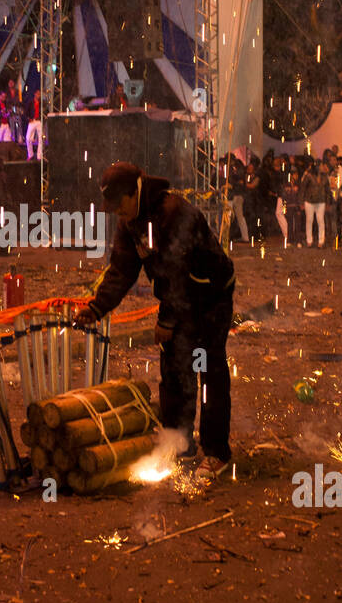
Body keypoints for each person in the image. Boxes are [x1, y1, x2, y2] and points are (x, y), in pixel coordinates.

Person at [73, 161, 235, 480]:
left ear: (135, 193)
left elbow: (179, 274)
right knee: (174, 367)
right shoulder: (130, 222)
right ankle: (178, 442)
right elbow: (121, 270)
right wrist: (97, 307)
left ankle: (216, 453)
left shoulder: (174, 213)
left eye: (120, 208)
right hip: (181, 294)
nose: (119, 217)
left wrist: (168, 320)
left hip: (210, 293)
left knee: (208, 369)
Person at [298, 160, 328, 248]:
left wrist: (328, 202)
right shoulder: (309, 176)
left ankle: (321, 241)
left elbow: (327, 190)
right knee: (309, 220)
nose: (323, 167)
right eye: (322, 165)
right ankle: (309, 240)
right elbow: (302, 189)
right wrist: (301, 202)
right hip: (309, 201)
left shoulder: (324, 176)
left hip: (321, 201)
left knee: (320, 220)